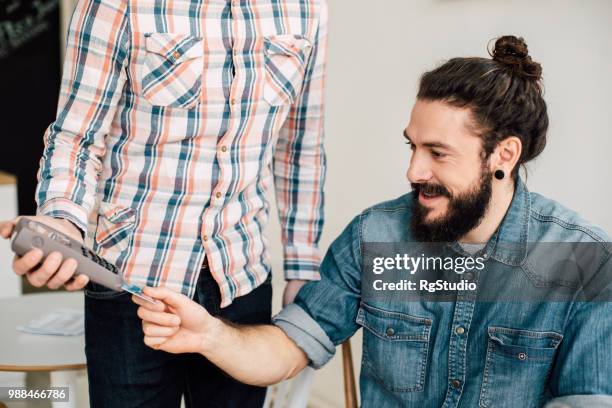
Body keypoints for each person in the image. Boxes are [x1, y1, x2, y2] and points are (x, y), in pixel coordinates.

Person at [132, 36, 612, 407]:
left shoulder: (585, 264)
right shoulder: (375, 238)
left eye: (437, 153)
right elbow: (288, 346)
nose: (413, 171)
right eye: (412, 147)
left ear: (503, 155)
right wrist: (211, 335)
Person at [0, 0, 328, 406]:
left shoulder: (307, 9)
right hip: (131, 284)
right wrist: (64, 219)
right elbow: (76, 137)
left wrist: (301, 266)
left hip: (242, 279)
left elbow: (301, 150)